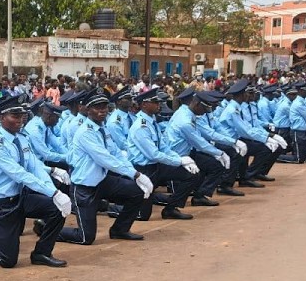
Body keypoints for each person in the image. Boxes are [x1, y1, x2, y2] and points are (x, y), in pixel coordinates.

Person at [0, 94, 71, 268]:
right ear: (1, 118)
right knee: (7, 261)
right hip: (1, 205)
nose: (20, 120)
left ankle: (41, 253)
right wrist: (53, 192)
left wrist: (54, 190)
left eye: (21, 115)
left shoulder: (21, 138)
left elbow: (35, 166)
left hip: (20, 198)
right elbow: (20, 174)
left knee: (56, 209)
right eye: (14, 116)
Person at [58, 90, 152, 245]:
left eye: (105, 107)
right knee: (86, 237)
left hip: (101, 181)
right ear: (88, 110)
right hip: (84, 187)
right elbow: (105, 159)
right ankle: (47, 229)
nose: (102, 111)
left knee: (136, 192)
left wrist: (135, 173)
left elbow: (116, 153)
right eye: (97, 107)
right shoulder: (85, 132)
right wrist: (135, 175)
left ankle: (119, 229)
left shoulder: (103, 128)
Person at [126, 89, 201, 220]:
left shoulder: (151, 121)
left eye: (159, 102)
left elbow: (164, 147)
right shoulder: (140, 126)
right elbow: (153, 154)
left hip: (157, 167)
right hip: (144, 170)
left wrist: (181, 158)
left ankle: (171, 209)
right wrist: (179, 161)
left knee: (191, 175)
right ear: (144, 105)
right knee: (143, 215)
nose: (159, 105)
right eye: (155, 102)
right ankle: (114, 208)